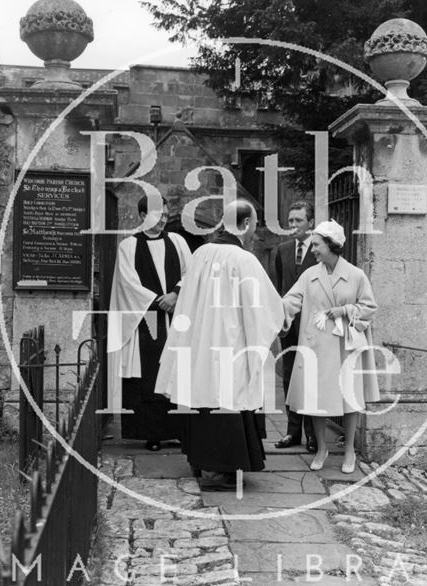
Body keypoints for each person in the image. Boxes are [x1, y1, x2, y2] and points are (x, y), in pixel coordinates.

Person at [155, 200, 284, 491]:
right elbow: (264, 307)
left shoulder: (201, 253)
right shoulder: (245, 260)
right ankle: (217, 472)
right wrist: (283, 315)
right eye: (255, 224)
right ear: (247, 224)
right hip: (230, 344)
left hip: (200, 344)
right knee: (226, 403)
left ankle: (201, 463)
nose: (254, 233)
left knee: (201, 399)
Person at [282, 220, 380, 473]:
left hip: (345, 346)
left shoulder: (356, 275)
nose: (312, 249)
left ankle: (349, 450)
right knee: (316, 398)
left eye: (316, 244)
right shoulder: (309, 275)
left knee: (348, 398)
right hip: (317, 345)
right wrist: (271, 313)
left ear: (331, 245)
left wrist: (347, 310)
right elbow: (290, 301)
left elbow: (369, 308)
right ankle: (322, 448)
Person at [107, 197, 192, 451]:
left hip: (177, 318)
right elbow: (127, 285)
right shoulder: (128, 246)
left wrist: (176, 294)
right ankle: (151, 433)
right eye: (158, 215)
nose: (163, 219)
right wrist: (158, 301)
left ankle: (179, 430)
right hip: (145, 320)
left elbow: (192, 272)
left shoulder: (177, 242)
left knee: (177, 372)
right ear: (142, 215)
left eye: (166, 215)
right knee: (148, 377)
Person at [273, 201, 319, 453]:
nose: (293, 226)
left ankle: (313, 434)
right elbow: (280, 287)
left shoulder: (321, 249)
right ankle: (293, 432)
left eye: (298, 221)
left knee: (310, 377)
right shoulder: (282, 250)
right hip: (290, 326)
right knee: (290, 375)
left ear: (310, 222)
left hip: (314, 326)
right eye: (290, 221)